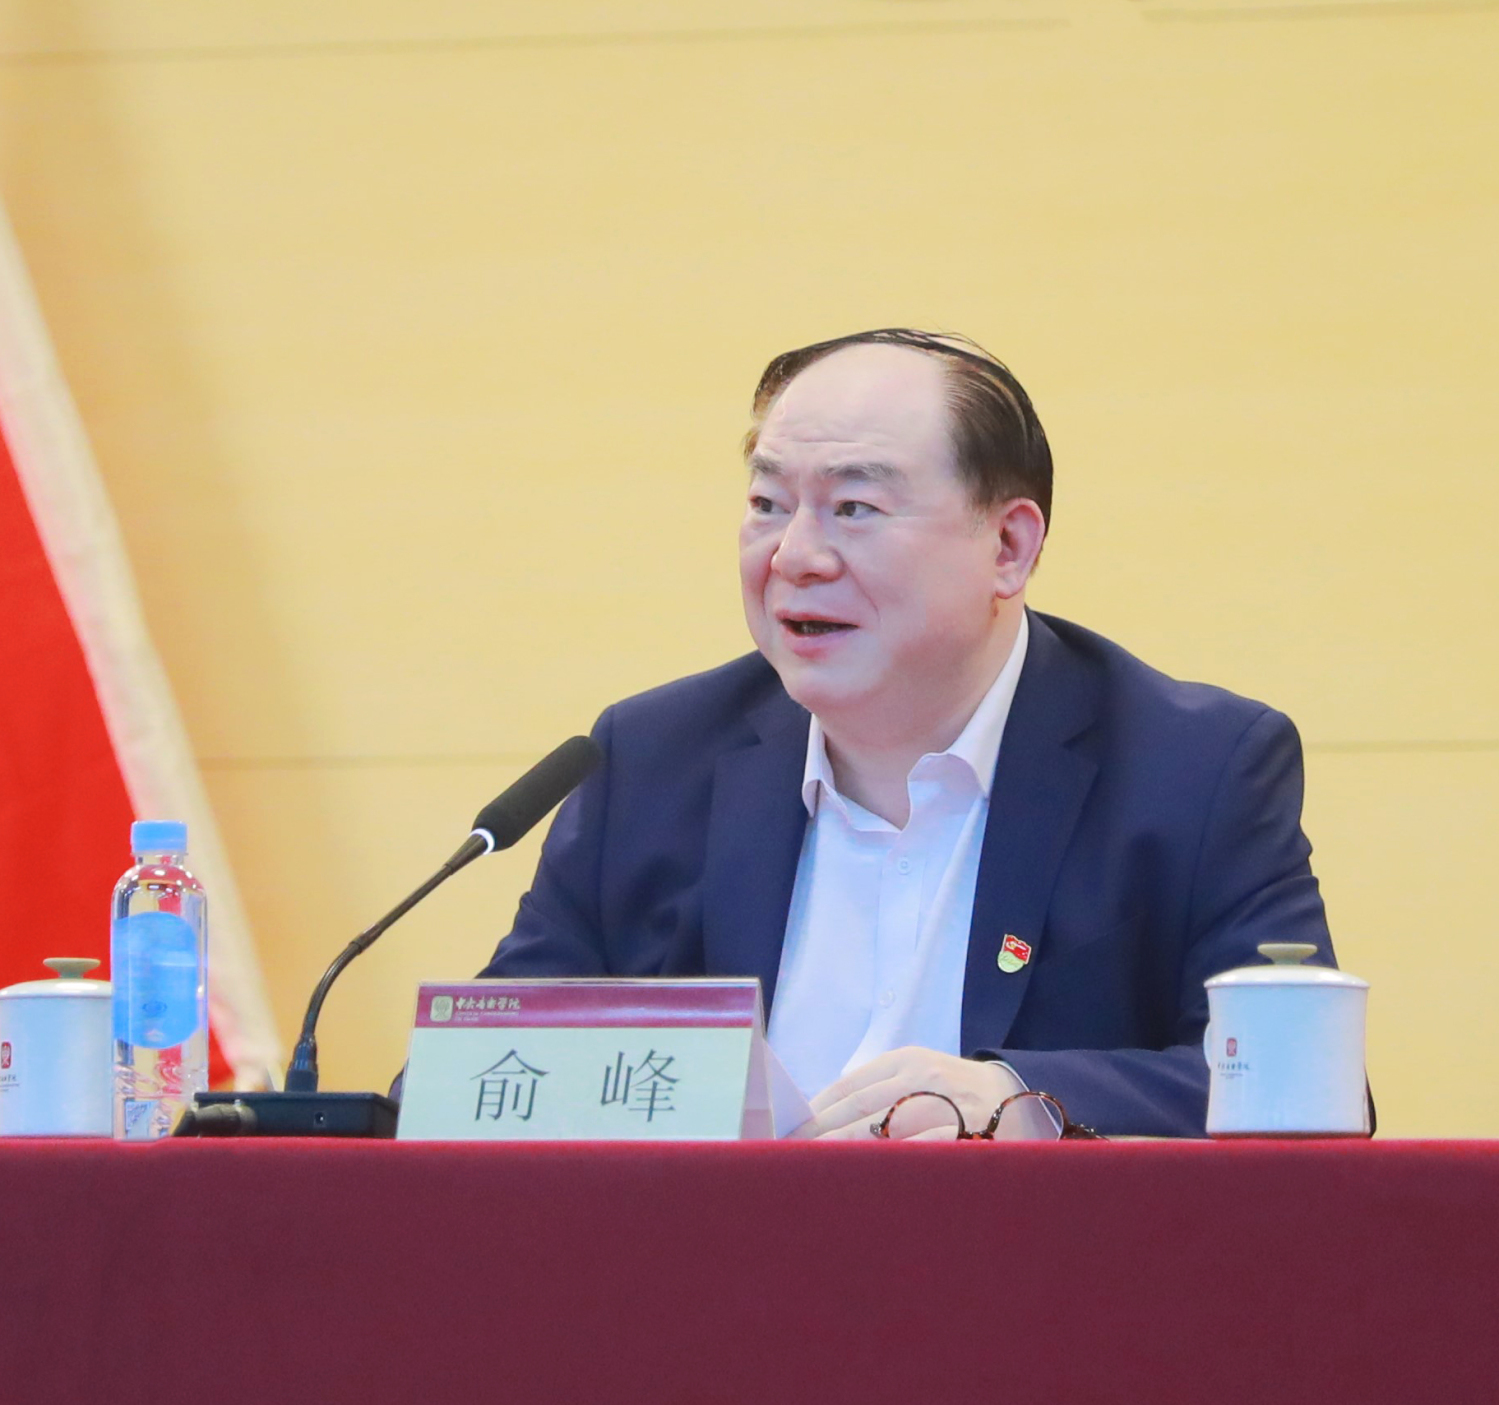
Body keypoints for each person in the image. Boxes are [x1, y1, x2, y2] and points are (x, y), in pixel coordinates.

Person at [479, 329, 1333, 1138]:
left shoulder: (1192, 770)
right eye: (768, 504)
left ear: (1008, 546)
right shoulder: (650, 761)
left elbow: (1299, 1085)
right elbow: (479, 1079)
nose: (794, 556)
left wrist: (1019, 1098)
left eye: (854, 507)